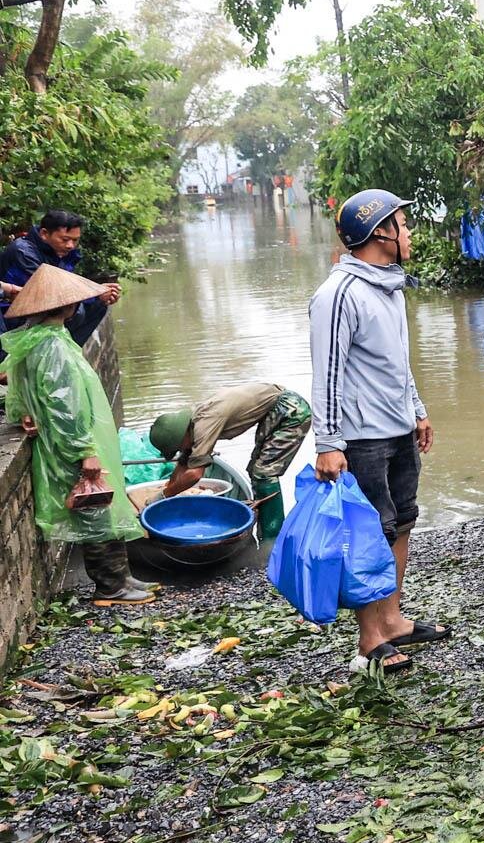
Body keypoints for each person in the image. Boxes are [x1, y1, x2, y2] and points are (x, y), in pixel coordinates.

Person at [308, 189, 446, 676]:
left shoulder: (388, 286)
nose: (408, 232)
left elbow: (395, 362)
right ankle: (370, 639)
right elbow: (326, 371)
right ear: (378, 232)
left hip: (397, 429)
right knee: (369, 533)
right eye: (402, 224)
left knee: (402, 521)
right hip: (361, 437)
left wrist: (417, 409)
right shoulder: (338, 294)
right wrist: (328, 443)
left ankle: (393, 619)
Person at [1, 265, 149, 604]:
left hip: (63, 441)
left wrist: (23, 414)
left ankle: (122, 577)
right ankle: (111, 585)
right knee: (95, 508)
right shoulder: (53, 347)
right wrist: (86, 452)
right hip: (72, 443)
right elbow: (65, 405)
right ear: (67, 307)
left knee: (103, 504)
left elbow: (17, 393)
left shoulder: (32, 341)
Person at [148, 382, 313, 534]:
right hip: (274, 411)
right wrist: (169, 486)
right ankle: (264, 526)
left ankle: (272, 539)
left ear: (181, 437)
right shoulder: (192, 422)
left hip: (291, 411)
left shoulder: (204, 424)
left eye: (178, 447)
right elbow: (185, 459)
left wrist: (165, 495)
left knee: (264, 473)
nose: (180, 450)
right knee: (255, 469)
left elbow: (195, 474)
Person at [0, 210, 122, 345]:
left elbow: (66, 285)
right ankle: (56, 350)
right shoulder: (23, 252)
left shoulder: (59, 251)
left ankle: (67, 349)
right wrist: (96, 293)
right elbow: (50, 293)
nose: (70, 245)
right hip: (15, 315)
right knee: (81, 308)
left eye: (75, 240)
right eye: (65, 239)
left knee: (98, 306)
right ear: (44, 234)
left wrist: (99, 293)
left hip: (42, 310)